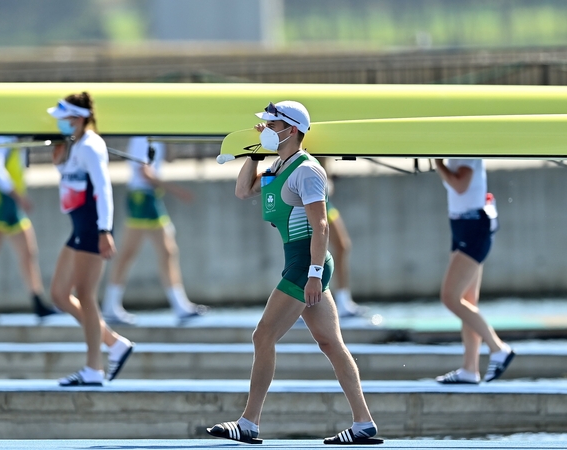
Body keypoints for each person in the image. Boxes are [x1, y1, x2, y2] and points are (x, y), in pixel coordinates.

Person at [206, 101, 382, 445]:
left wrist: (315, 274)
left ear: (293, 130)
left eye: (272, 124)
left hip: (306, 263)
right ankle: (364, 423)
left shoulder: (307, 170)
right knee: (331, 343)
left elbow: (320, 226)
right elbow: (243, 191)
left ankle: (249, 423)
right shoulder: (278, 164)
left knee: (263, 336)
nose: (266, 129)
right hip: (301, 263)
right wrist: (254, 154)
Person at [47, 92, 134, 385]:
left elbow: (103, 189)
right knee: (59, 294)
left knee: (85, 295)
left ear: (80, 117)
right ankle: (114, 343)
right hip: (78, 228)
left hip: (91, 229)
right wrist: (58, 161)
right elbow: (72, 180)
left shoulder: (91, 145)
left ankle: (93, 369)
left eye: (64, 118)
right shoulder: (75, 145)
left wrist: (104, 230)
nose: (60, 123)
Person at [102, 136, 207, 324]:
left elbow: (169, 158)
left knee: (166, 251)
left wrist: (168, 138)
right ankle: (111, 304)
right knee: (130, 252)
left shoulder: (157, 136)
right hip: (142, 197)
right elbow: (145, 173)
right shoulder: (142, 138)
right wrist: (177, 191)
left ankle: (179, 305)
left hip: (148, 197)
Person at [433, 159, 514, 384]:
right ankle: (470, 369)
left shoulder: (465, 151)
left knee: (450, 298)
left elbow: (460, 185)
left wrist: (437, 163)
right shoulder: (454, 154)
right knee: (467, 301)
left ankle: (498, 348)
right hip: (460, 226)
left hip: (473, 228)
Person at [0, 136, 58, 323]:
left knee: (28, 253)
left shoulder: (15, 138)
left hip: (12, 205)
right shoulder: (0, 137)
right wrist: (18, 196)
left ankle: (38, 302)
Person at [319, 158, 366, 318]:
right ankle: (305, 305)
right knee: (311, 252)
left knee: (342, 246)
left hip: (325, 201)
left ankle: (343, 301)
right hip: (314, 201)